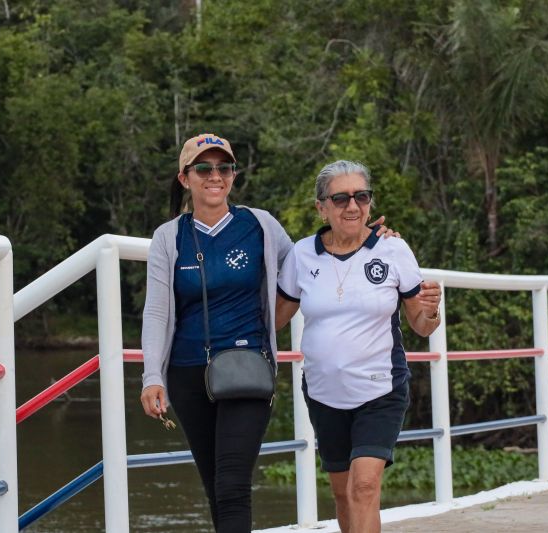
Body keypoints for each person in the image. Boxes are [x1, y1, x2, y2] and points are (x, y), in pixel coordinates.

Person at [139, 134, 424, 532]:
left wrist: (369, 239)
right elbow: (156, 310)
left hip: (248, 367)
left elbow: (314, 264)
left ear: (234, 175)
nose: (215, 176)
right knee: (215, 485)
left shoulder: (260, 225)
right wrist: (152, 375)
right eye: (204, 168)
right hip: (187, 372)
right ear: (185, 178)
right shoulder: (169, 237)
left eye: (224, 168)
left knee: (233, 484)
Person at [275, 160, 441, 533]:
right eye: (341, 198)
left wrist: (432, 311)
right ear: (321, 207)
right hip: (323, 392)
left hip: (380, 389)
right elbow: (274, 319)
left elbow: (421, 324)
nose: (352, 206)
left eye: (361, 197)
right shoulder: (302, 254)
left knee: (364, 486)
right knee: (342, 494)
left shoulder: (393, 250)